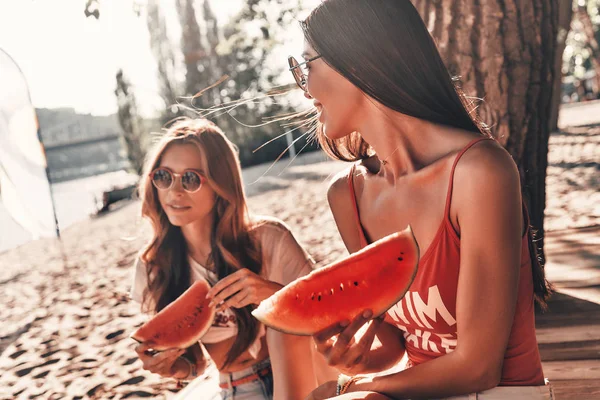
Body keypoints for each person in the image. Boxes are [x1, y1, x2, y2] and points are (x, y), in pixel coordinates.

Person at [287, 1, 553, 399]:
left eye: (308, 65)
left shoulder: (480, 172)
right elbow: (397, 336)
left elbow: (479, 367)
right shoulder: (348, 196)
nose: (303, 88)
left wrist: (356, 387)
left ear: (358, 61)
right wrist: (354, 357)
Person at [129, 118, 334, 400]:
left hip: (308, 374)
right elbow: (196, 364)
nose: (174, 192)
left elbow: (328, 313)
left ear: (219, 184)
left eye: (190, 179)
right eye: (164, 177)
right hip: (237, 387)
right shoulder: (153, 266)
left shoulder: (269, 238)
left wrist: (273, 294)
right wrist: (174, 368)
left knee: (281, 316)